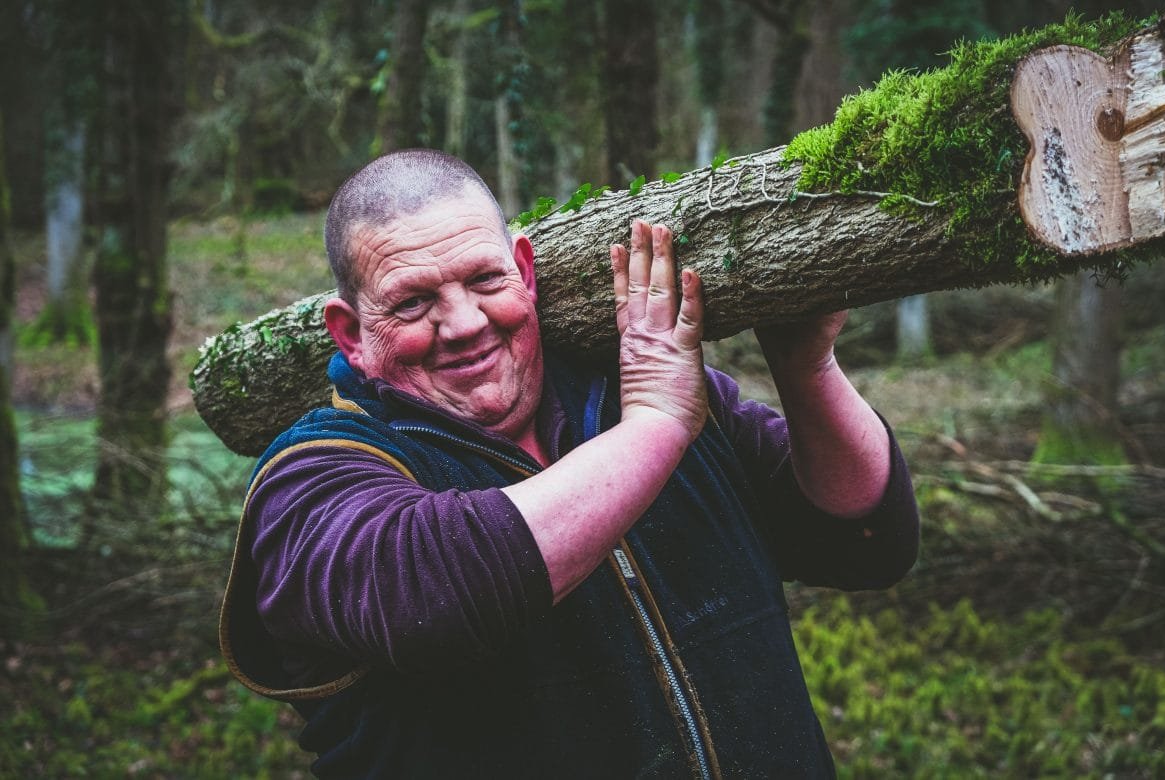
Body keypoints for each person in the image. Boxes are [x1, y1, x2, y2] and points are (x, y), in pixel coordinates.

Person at [219, 149, 918, 779]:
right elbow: (434, 598)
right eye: (413, 302)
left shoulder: (635, 390)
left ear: (524, 271)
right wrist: (658, 423)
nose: (464, 324)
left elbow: (863, 543)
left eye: (485, 279)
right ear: (351, 332)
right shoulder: (311, 478)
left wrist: (806, 365)